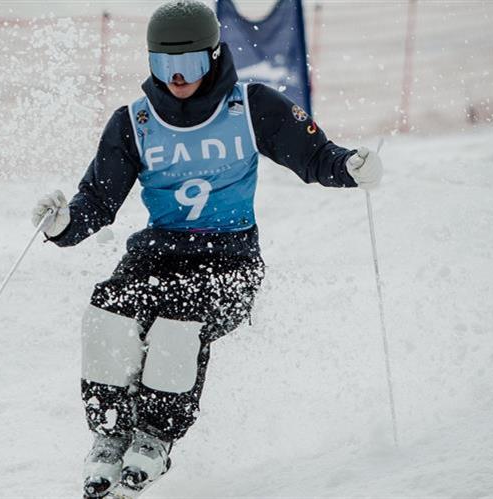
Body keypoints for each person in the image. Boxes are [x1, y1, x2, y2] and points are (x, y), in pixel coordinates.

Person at [31, 1, 383, 497]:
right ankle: (110, 434)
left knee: (180, 321)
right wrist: (64, 224)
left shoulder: (250, 105)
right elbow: (98, 201)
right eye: (162, 64)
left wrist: (348, 167)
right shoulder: (134, 121)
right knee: (108, 310)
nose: (177, 77)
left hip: (231, 259)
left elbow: (314, 156)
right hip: (156, 254)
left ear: (214, 57)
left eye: (191, 64)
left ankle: (154, 437)